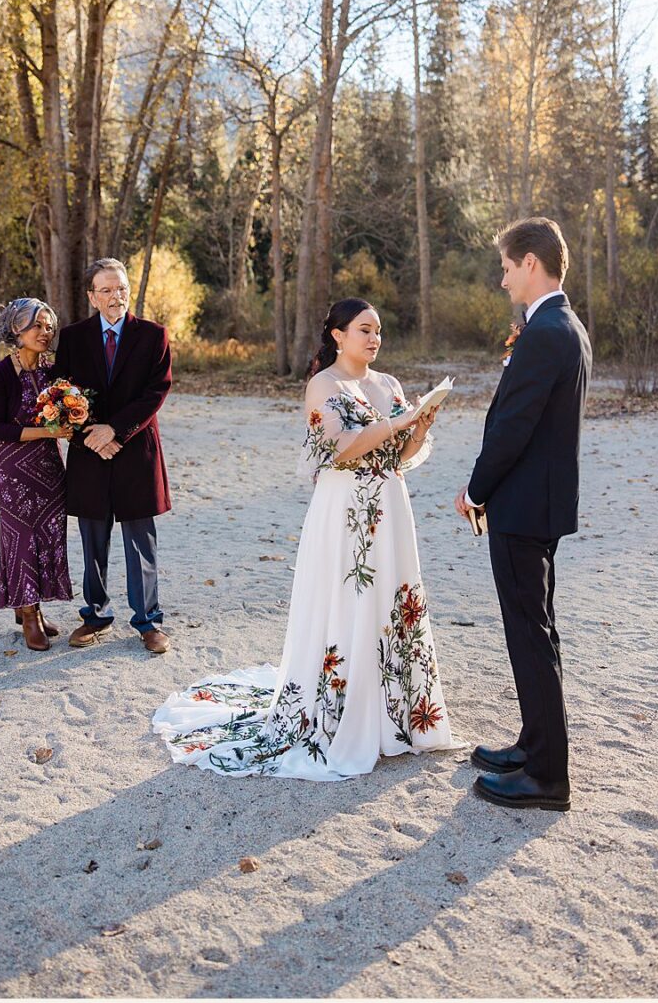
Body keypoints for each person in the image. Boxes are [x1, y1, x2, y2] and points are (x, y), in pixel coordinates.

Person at [152, 297, 457, 779]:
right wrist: (396, 422)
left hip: (390, 506)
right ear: (337, 334)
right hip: (344, 510)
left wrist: (417, 428)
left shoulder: (389, 384)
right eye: (364, 329)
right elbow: (338, 448)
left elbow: (400, 455)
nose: (374, 338)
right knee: (349, 602)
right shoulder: (323, 385)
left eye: (378, 330)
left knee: (389, 603)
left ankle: (394, 711)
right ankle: (344, 713)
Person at [456, 217, 590, 811]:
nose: (503, 278)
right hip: (539, 502)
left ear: (530, 264)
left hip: (521, 505)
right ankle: (536, 744)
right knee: (537, 630)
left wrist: (477, 489)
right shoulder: (565, 327)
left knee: (529, 636)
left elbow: (515, 427)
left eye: (507, 267)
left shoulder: (546, 332)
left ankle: (547, 778)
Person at [52, 259, 174, 654]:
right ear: (92, 296)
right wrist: (93, 435)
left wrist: (115, 430)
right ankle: (95, 615)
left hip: (136, 450)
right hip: (89, 453)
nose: (115, 296)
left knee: (141, 544)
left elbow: (155, 392)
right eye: (105, 290)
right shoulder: (72, 338)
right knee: (93, 541)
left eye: (120, 288)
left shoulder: (153, 336)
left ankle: (148, 621)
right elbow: (62, 393)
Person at [0, 298, 74, 651]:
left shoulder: (53, 375)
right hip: (15, 471)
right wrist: (49, 432)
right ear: (16, 330)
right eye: (37, 326)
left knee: (50, 534)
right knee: (21, 539)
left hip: (50, 469)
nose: (44, 333)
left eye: (49, 327)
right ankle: (28, 614)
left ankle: (34, 604)